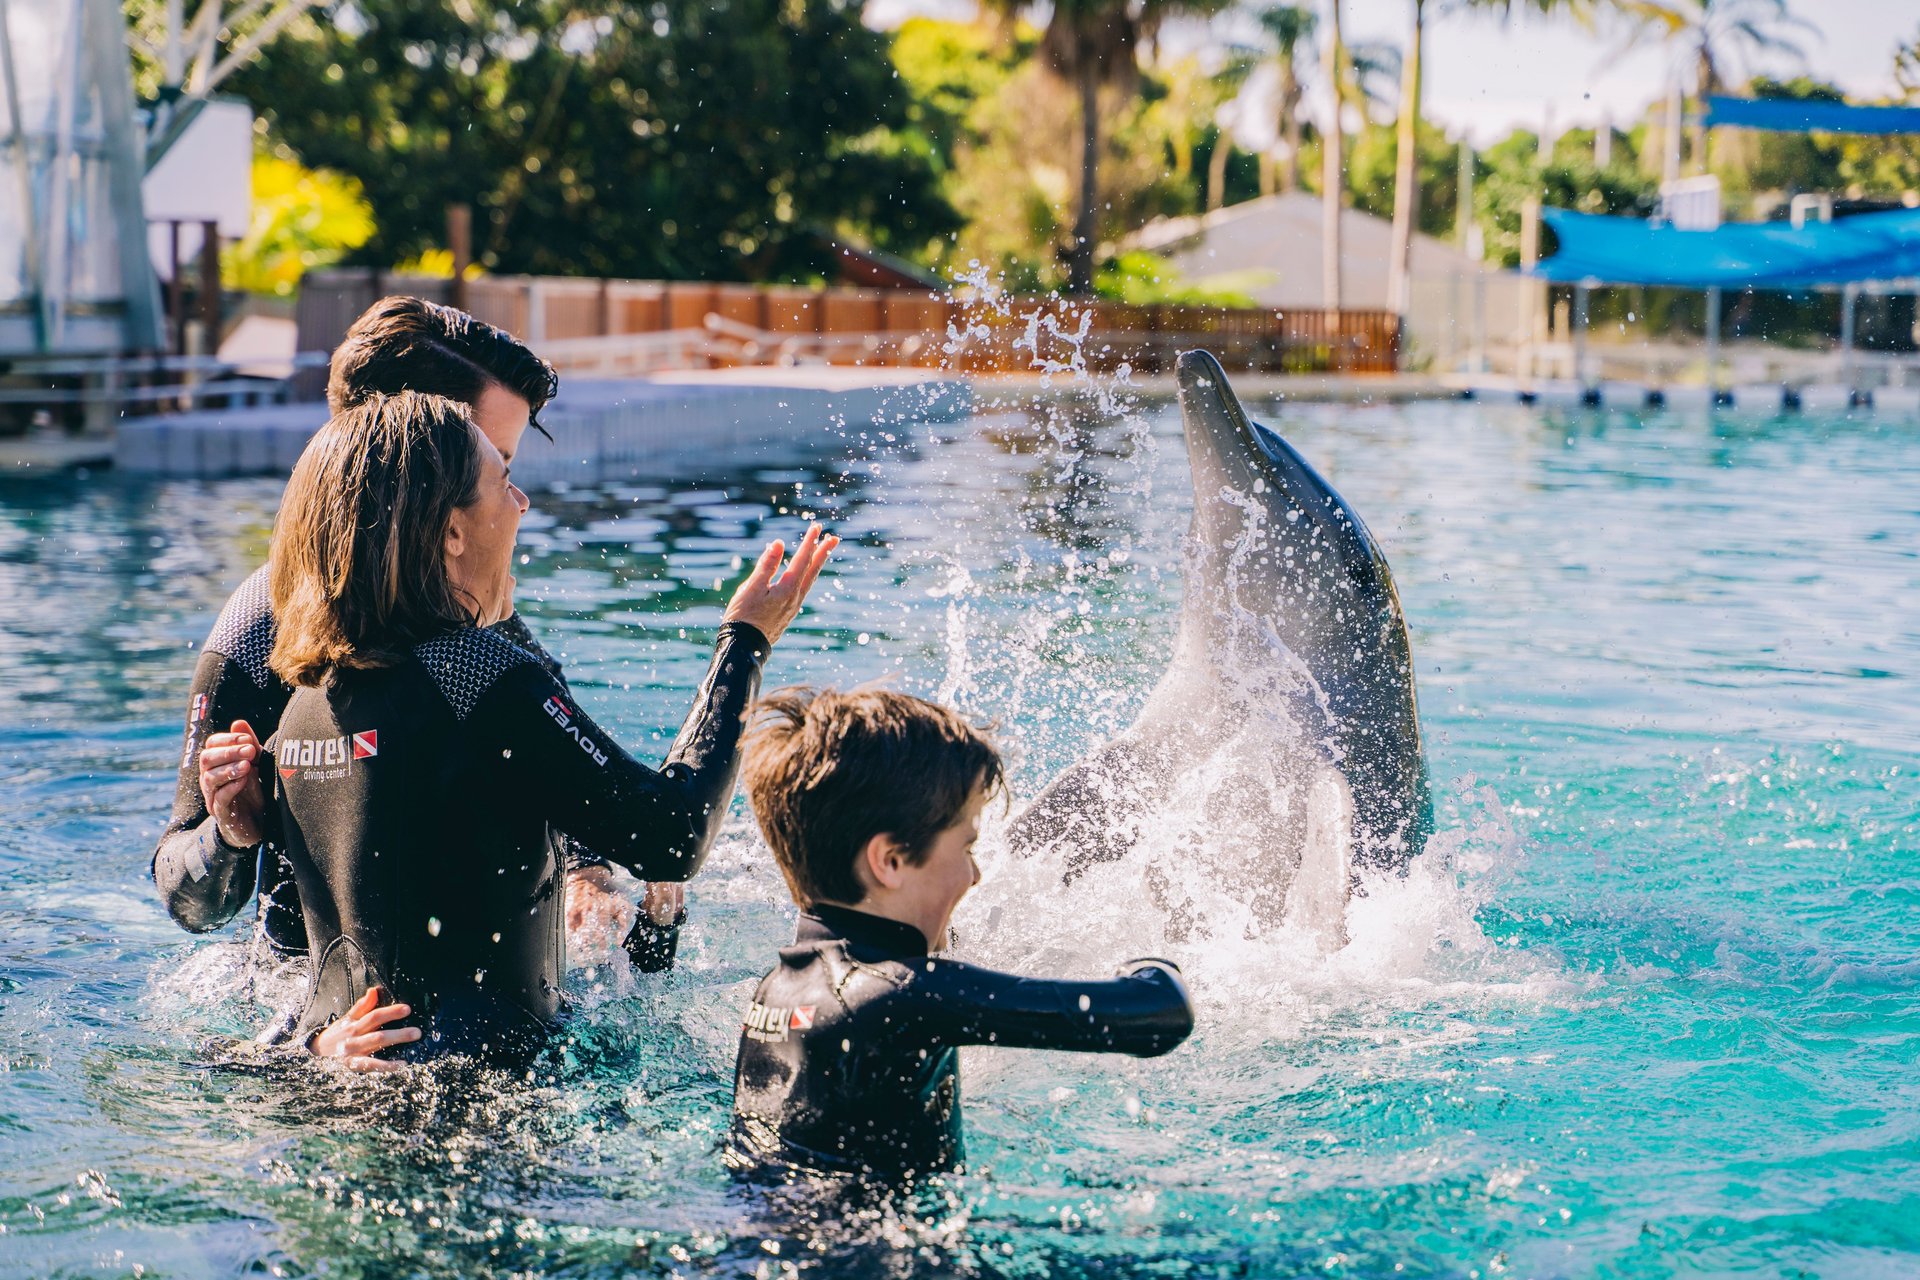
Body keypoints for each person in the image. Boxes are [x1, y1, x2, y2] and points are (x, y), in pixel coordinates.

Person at [241, 391, 836, 1068]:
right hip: (496, 1117)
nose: (521, 504)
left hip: (340, 1084)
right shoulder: (480, 675)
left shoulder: (304, 704)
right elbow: (671, 835)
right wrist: (746, 644)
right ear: (451, 533)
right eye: (503, 483)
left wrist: (318, 1049)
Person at [152, 297, 663, 967]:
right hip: (325, 1015)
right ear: (401, 452)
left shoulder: (481, 629)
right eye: (491, 461)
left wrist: (597, 881)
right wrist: (229, 834)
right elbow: (188, 901)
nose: (514, 501)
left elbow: (594, 807)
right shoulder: (259, 630)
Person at [727, 687, 1194, 1181]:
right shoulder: (900, 994)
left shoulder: (777, 988)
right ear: (890, 861)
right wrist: (1153, 954)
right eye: (966, 846)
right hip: (875, 1257)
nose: (975, 876)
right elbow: (1160, 1012)